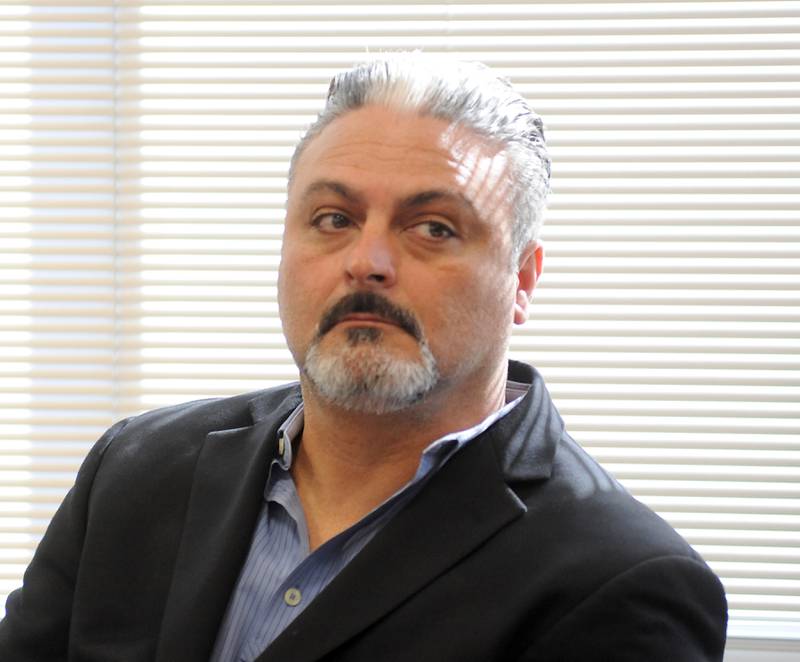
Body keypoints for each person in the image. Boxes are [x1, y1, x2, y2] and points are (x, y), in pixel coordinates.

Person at [0, 53, 727, 661]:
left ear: (522, 282)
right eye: (333, 220)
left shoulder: (622, 580)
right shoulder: (136, 470)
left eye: (434, 228)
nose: (367, 262)